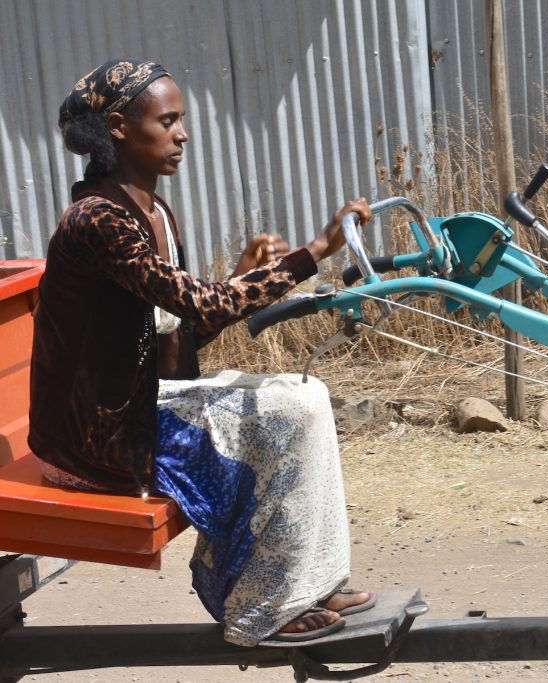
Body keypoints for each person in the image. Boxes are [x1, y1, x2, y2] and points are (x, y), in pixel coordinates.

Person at [29, 59, 376, 646]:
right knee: (286, 414)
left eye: (181, 120)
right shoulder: (98, 220)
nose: (182, 134)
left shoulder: (154, 212)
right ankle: (259, 607)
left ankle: (310, 581)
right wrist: (314, 250)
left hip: (145, 405)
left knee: (308, 396)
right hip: (96, 438)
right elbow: (202, 306)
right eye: (166, 121)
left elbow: (179, 337)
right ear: (117, 126)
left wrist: (243, 280)